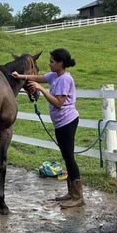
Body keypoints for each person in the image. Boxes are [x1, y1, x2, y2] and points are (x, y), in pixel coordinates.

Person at [12, 48, 84, 208]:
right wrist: (21, 76)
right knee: (67, 156)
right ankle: (71, 193)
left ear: (60, 63)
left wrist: (41, 89)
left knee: (70, 158)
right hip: (61, 123)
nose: (49, 63)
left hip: (68, 122)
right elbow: (37, 77)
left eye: (52, 61)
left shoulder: (65, 79)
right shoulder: (54, 76)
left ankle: (78, 197)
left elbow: (59, 103)